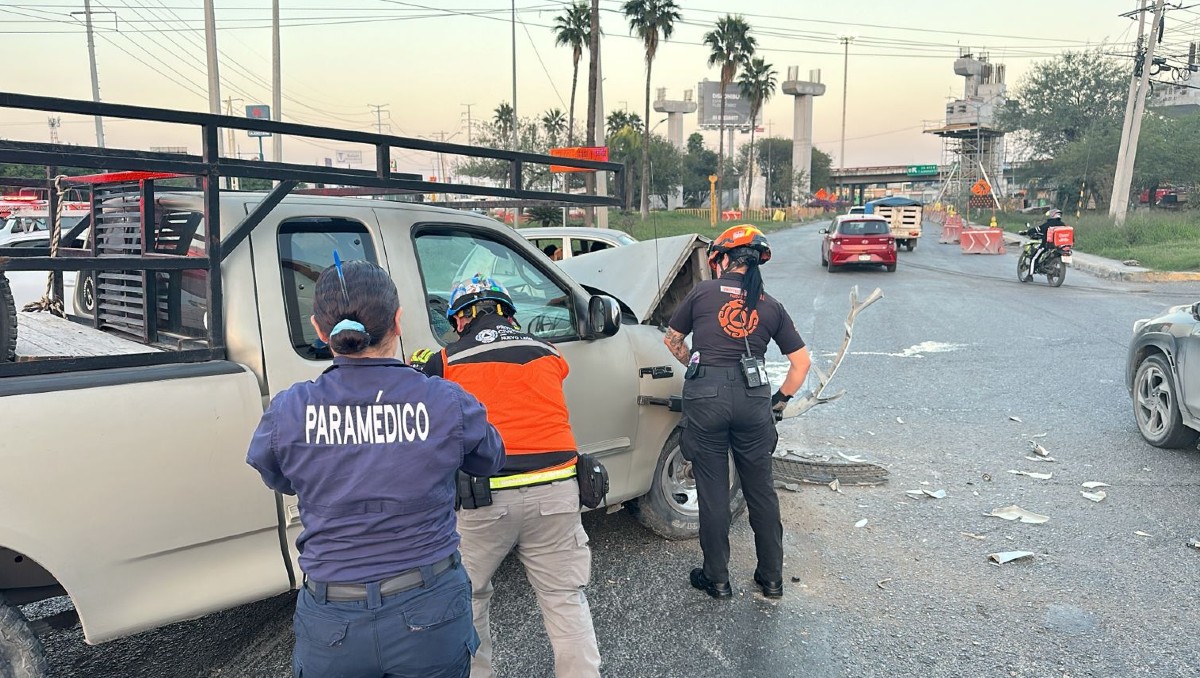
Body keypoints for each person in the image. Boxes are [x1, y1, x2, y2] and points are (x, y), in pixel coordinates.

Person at [246, 259, 506, 678]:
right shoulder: (445, 401)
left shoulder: (290, 410)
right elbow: (490, 458)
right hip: (429, 607)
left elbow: (277, 476)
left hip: (333, 621)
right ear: (398, 322)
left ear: (319, 329)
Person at [413, 274, 601, 678]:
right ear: (509, 315)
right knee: (565, 600)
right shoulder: (548, 352)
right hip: (557, 493)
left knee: (471, 600)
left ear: (460, 320)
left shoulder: (445, 360)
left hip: (484, 502)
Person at [663, 225, 811, 600]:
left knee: (713, 492)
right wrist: (779, 402)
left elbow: (672, 340)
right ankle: (772, 578)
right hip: (753, 398)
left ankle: (717, 578)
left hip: (707, 396)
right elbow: (801, 364)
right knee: (761, 491)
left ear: (724, 260)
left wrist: (696, 371)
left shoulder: (702, 292)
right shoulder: (771, 304)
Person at [1021, 208, 1065, 275]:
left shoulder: (1048, 224)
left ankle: (1029, 275)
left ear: (1052, 215)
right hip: (1059, 246)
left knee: (1034, 258)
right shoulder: (1063, 225)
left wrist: (1027, 232)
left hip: (1046, 246)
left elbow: (1037, 229)